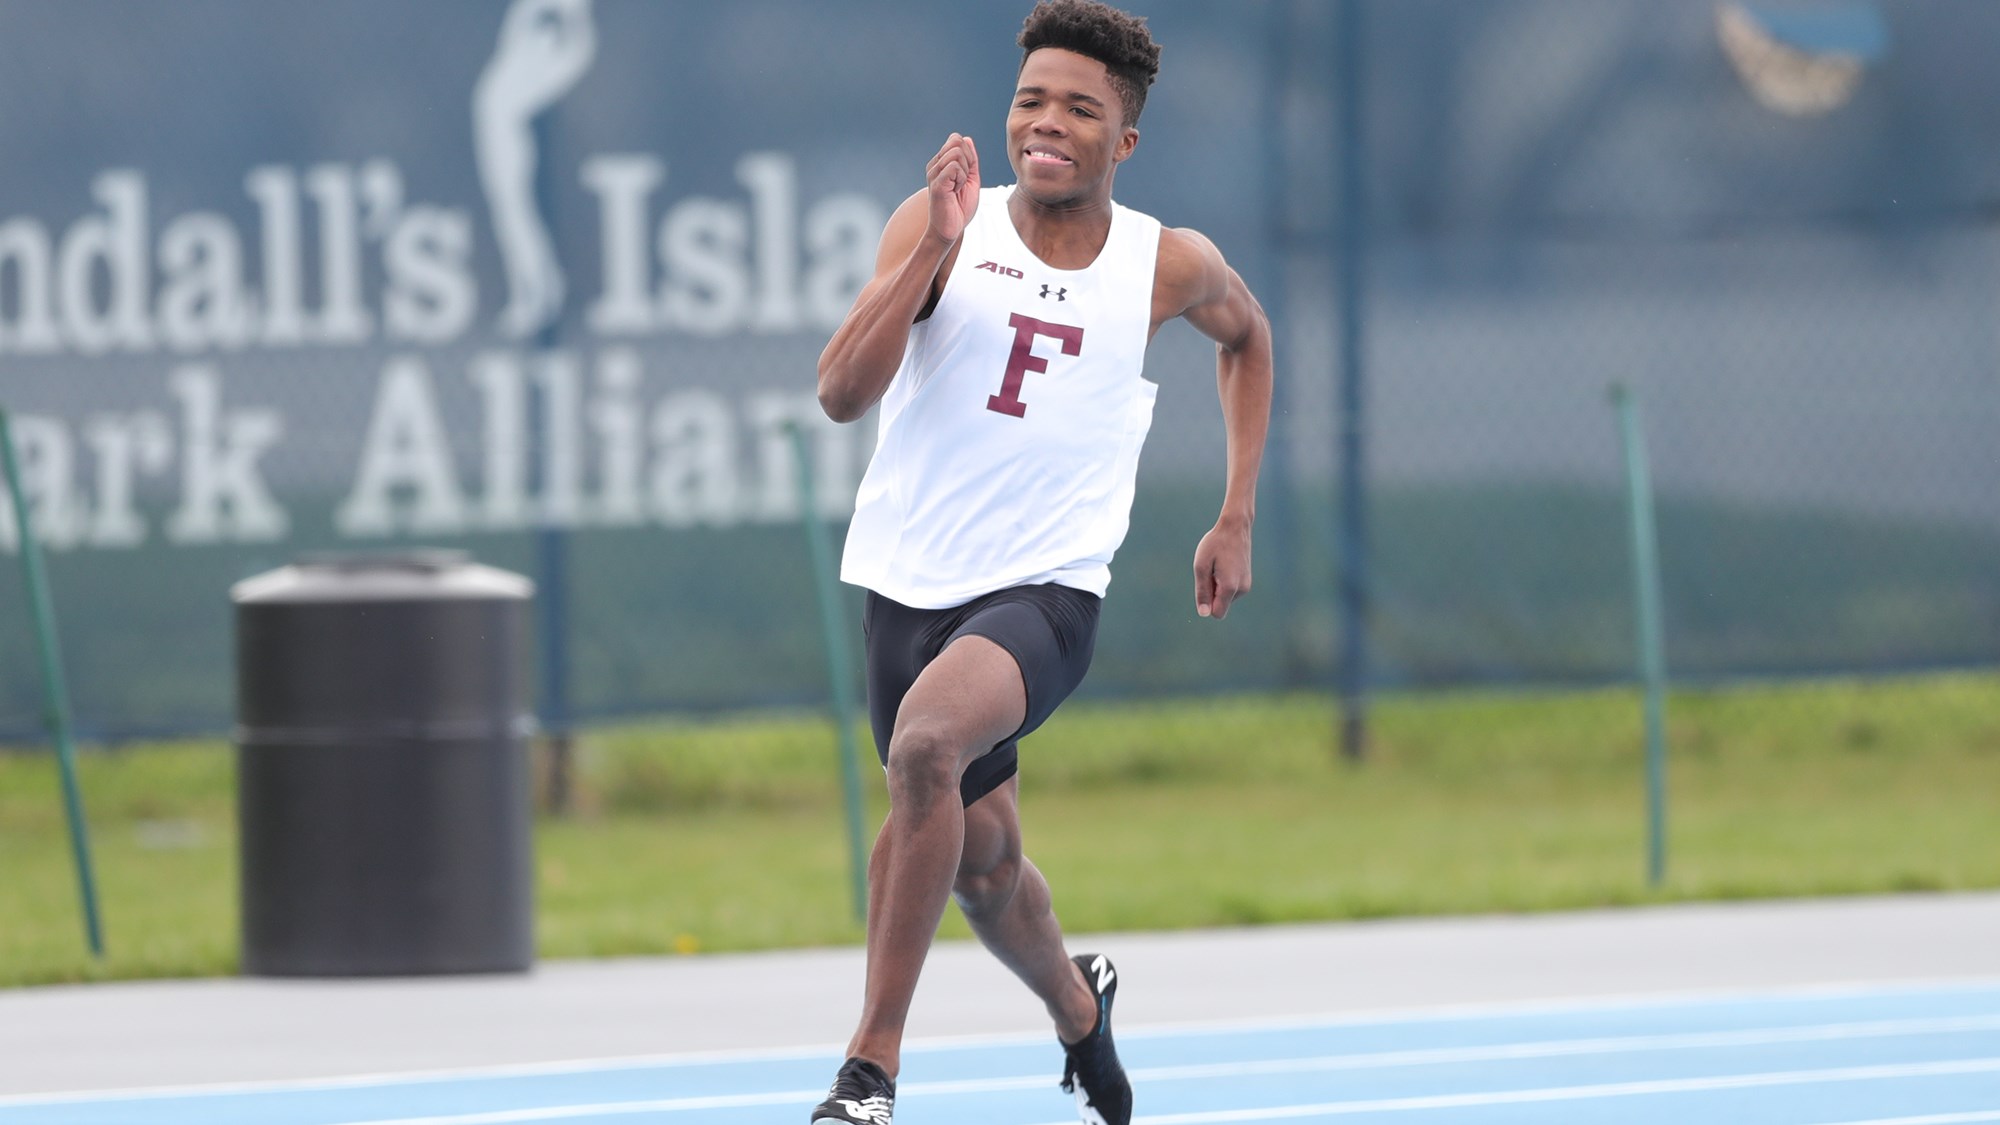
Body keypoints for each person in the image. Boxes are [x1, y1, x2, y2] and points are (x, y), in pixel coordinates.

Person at [810, 1, 1271, 1121]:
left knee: (924, 750)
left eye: (1079, 107)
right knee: (981, 864)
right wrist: (933, 247)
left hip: (1045, 593)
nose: (1046, 124)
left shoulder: (1166, 264)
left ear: (1124, 139)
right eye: (1029, 101)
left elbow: (1248, 342)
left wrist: (1234, 514)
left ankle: (869, 1071)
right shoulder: (939, 222)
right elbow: (838, 395)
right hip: (903, 587)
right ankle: (1078, 1005)